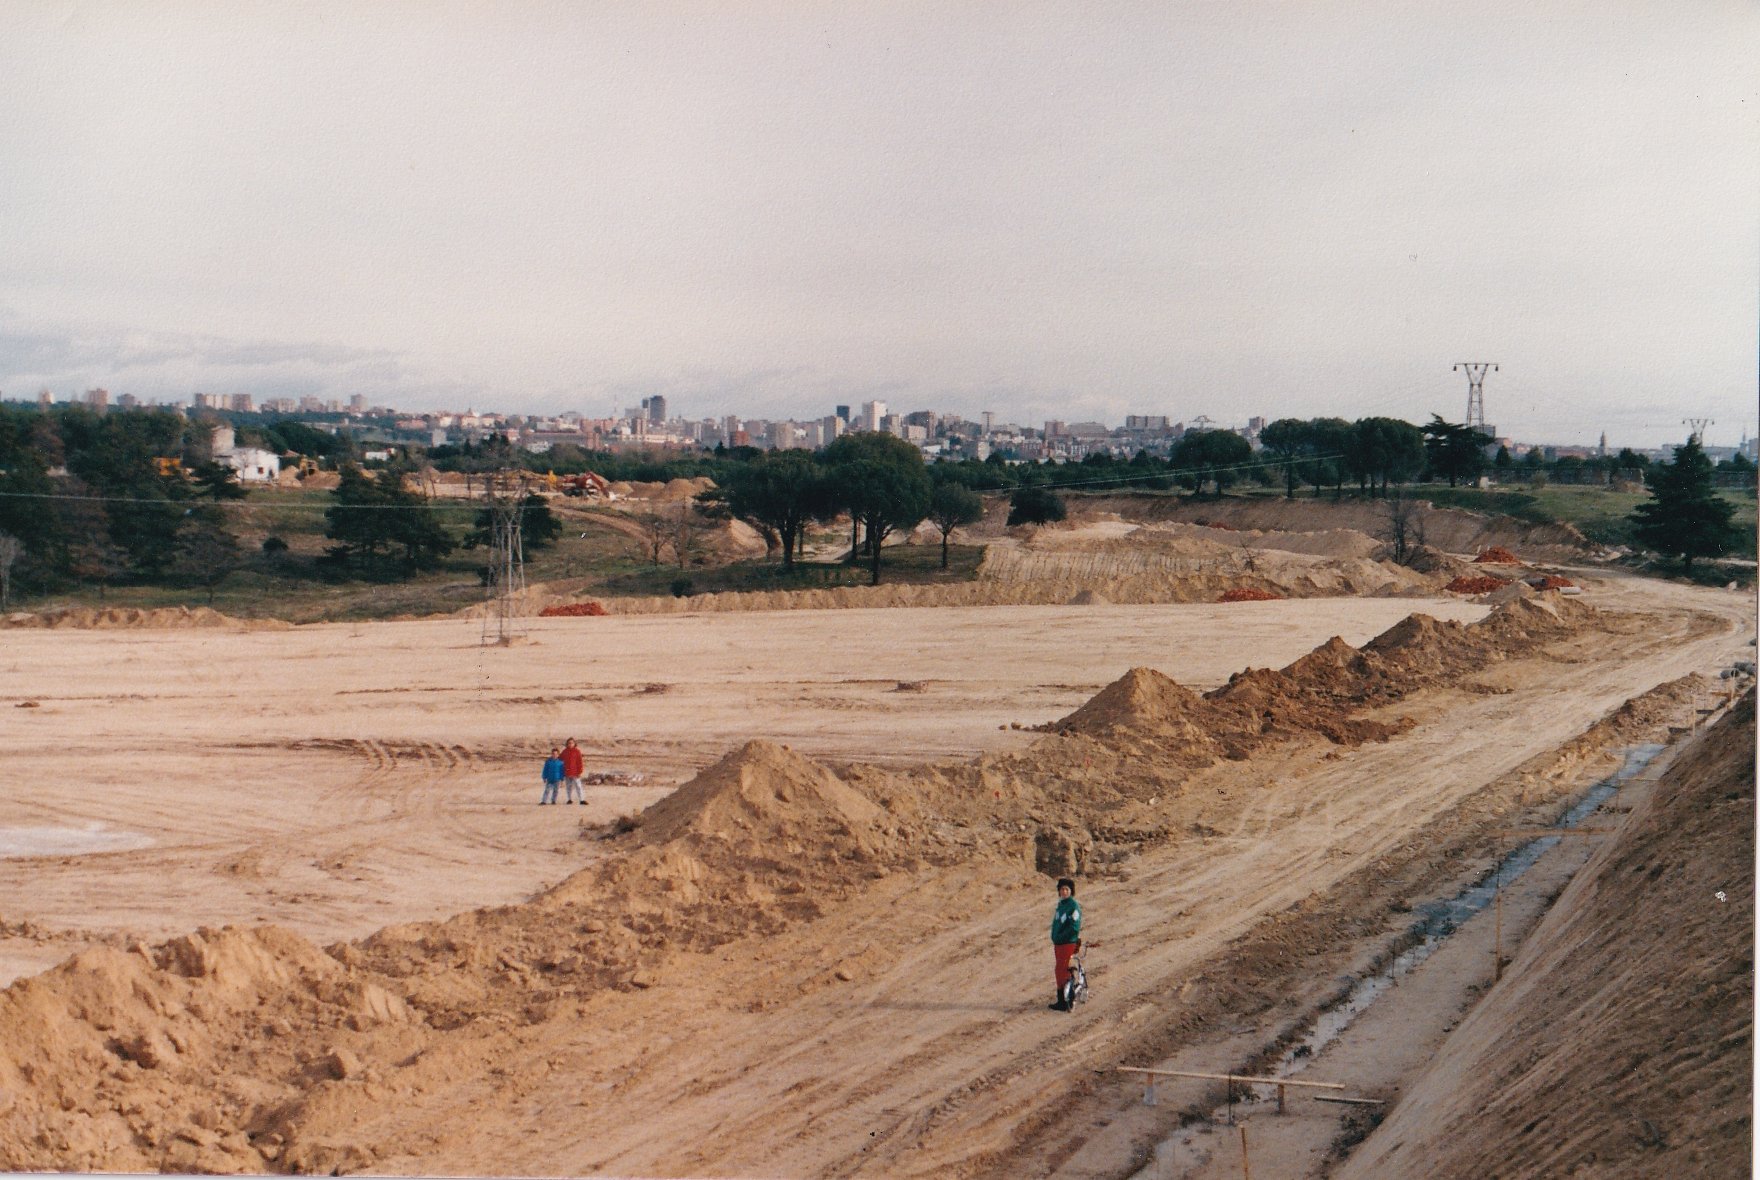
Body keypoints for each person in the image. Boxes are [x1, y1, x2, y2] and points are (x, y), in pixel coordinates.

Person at [1049, 877, 1082, 1011]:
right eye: (1062, 889)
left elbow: (1074, 927)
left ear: (1071, 891)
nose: (1064, 892)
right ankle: (1063, 1000)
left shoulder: (1073, 907)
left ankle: (1065, 1002)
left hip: (1067, 943)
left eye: (1067, 889)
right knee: (1061, 970)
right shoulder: (1061, 906)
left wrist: (1062, 937)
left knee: (1061, 970)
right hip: (1059, 943)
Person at [561, 737, 586, 805]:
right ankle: (569, 799)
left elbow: (580, 762)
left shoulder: (577, 751)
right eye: (569, 743)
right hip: (567, 772)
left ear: (574, 744)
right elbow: (560, 760)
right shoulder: (564, 751)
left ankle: (582, 799)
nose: (570, 744)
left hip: (575, 772)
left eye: (572, 743)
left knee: (578, 786)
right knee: (569, 786)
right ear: (567, 744)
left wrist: (580, 772)